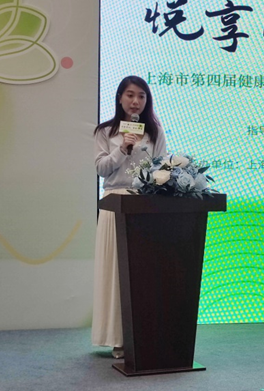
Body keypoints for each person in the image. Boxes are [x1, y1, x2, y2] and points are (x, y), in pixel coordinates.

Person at [92, 76, 167, 358]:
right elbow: (101, 169)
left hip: (144, 206)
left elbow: (163, 169)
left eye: (142, 96)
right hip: (114, 205)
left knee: (143, 273)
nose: (136, 101)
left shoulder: (155, 132)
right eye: (130, 95)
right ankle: (117, 338)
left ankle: (144, 335)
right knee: (115, 272)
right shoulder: (105, 131)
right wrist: (122, 148)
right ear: (120, 98)